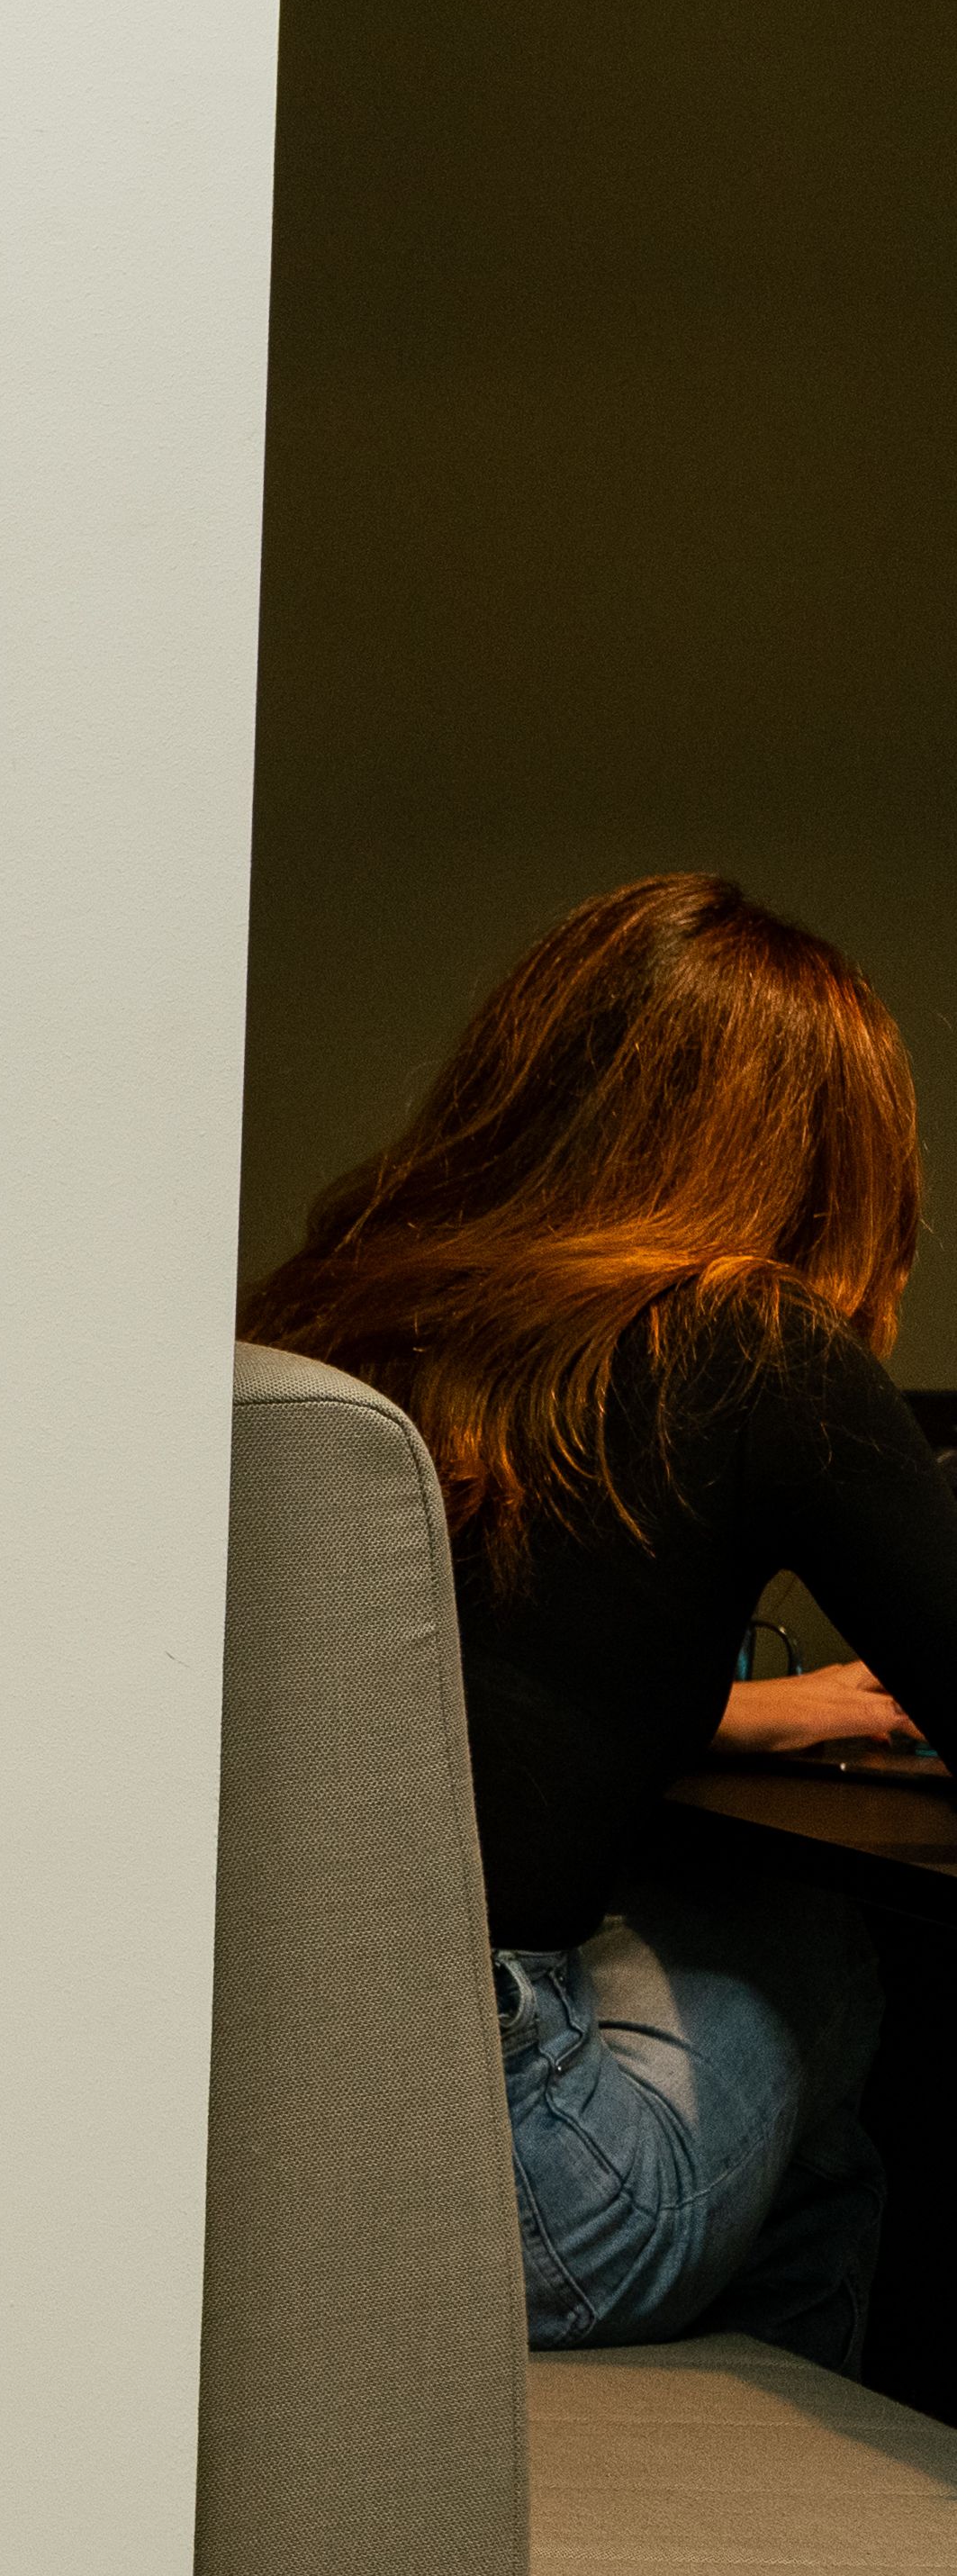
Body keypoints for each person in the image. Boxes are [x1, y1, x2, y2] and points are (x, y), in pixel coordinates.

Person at [251, 872, 949, 2373]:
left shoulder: (334, 1308)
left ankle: (732, 2445)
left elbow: (452, 1693)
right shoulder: (750, 1342)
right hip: (522, 2189)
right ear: (825, 1162)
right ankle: (803, 2449)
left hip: (254, 2150)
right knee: (819, 1954)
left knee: (819, 2160)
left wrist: (732, 1710)